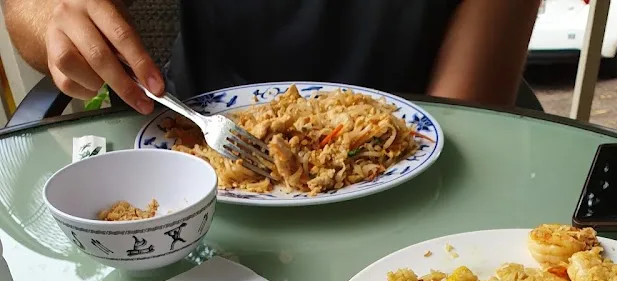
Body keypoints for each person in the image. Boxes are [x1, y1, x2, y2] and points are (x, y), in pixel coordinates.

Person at [5, 0, 541, 114]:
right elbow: (29, 20)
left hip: (424, 140)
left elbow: (463, 111)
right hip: (202, 137)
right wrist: (53, 16)